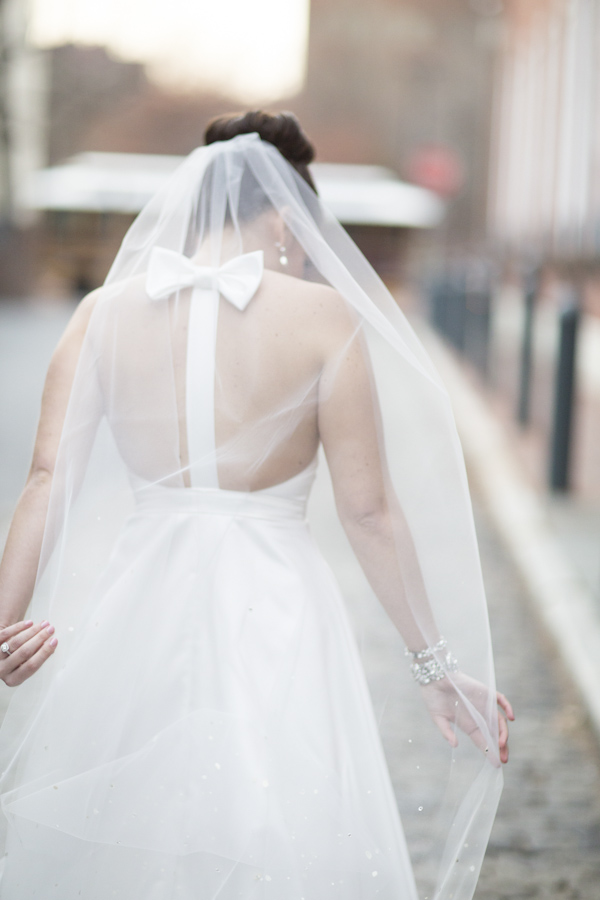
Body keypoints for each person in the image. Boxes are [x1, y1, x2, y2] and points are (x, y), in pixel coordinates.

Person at [0, 111, 513, 899]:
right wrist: (434, 668)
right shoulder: (321, 320)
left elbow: (45, 480)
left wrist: (2, 621)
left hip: (141, 607)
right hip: (275, 613)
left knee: (136, 831)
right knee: (277, 822)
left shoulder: (100, 314)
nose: (309, 248)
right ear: (280, 212)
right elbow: (370, 512)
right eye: (307, 227)